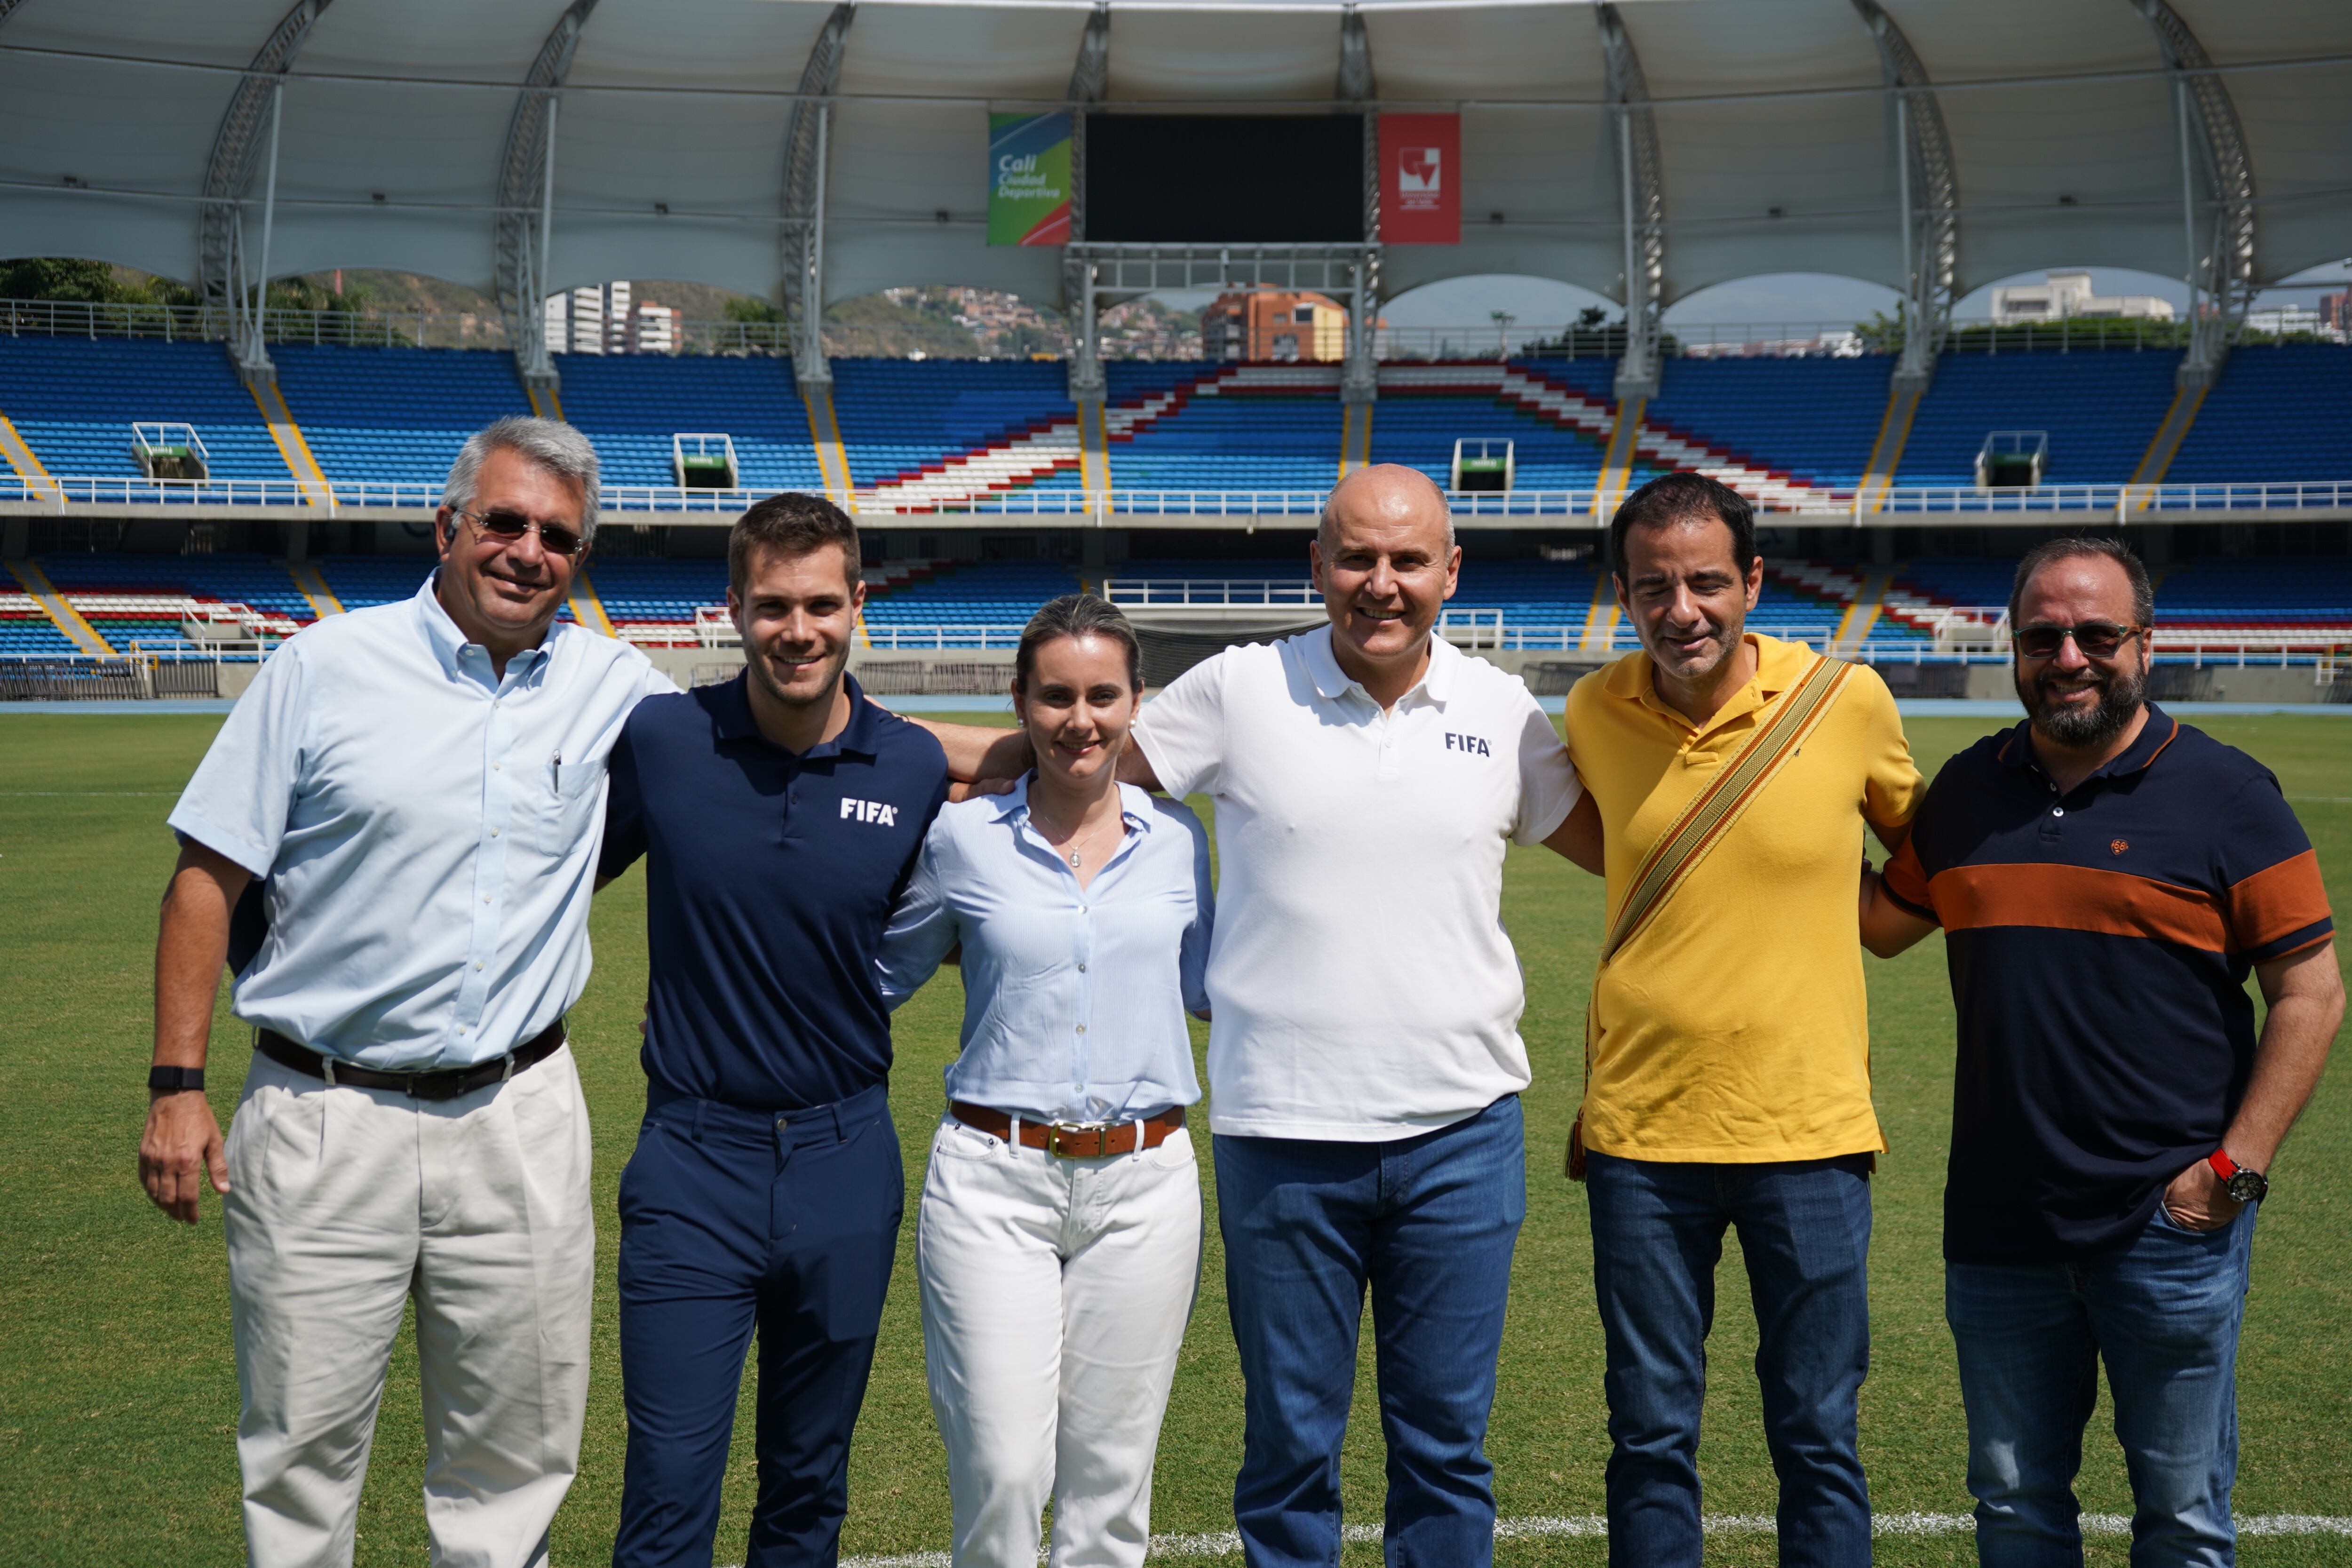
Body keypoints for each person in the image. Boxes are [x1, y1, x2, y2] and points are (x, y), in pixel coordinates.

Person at [139, 416, 669, 1568]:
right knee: (299, 1456)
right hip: (326, 1112)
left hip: (519, 1113)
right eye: (505, 521)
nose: (529, 551)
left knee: (515, 1459)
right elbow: (205, 875)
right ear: (449, 526)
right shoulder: (325, 664)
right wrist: (177, 1085)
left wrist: (1034, 745)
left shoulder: (613, 681)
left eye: (558, 536)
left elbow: (787, 741)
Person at [1118, 464, 1589, 1565]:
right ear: (1317, 565)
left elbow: (1633, 849)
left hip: (1462, 1134)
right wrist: (896, 751)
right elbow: (1079, 775)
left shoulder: (1500, 710)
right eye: (1357, 558)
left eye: (1408, 560)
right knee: (1288, 1449)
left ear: (1450, 572)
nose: (1382, 584)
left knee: (1445, 1450)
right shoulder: (1238, 688)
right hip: (1280, 1132)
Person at [1860, 536, 2342, 1568]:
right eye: (2042, 635)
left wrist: (2234, 1169)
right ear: (2013, 647)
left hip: (2169, 1225)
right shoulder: (1966, 791)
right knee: (2014, 1506)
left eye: (2095, 633)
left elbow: (2310, 991)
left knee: (2181, 1515)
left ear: (2145, 644)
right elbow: (1879, 922)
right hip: (1998, 1222)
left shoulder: (2227, 791)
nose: (2068, 655)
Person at [1557, 470, 1922, 1568]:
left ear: (1753, 580)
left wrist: (1859, 921)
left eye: (1707, 582)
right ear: (1624, 593)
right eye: (1654, 586)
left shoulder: (1846, 700)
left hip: (1807, 1134)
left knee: (1817, 1432)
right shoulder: (1590, 709)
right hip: (1640, 1138)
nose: (1683, 610)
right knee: (1650, 1433)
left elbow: (1928, 859)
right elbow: (1607, 843)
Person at [598, 493, 952, 1568]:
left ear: (858, 606)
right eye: (770, 607)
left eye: (819, 605)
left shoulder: (914, 765)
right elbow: (540, 873)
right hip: (691, 1162)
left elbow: (1043, 764)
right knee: (668, 1490)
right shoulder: (664, 738)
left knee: (808, 1483)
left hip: (847, 1160)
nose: (796, 630)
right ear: (733, 610)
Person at [878, 593, 1214, 1568]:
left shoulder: (1178, 840)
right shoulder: (962, 840)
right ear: (1020, 703)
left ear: (1135, 701)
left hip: (1145, 1184)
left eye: (1103, 695)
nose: (1082, 719)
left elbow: (1211, 989)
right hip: (992, 1179)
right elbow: (875, 977)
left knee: (1111, 1480)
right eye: (1057, 696)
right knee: (1002, 1465)